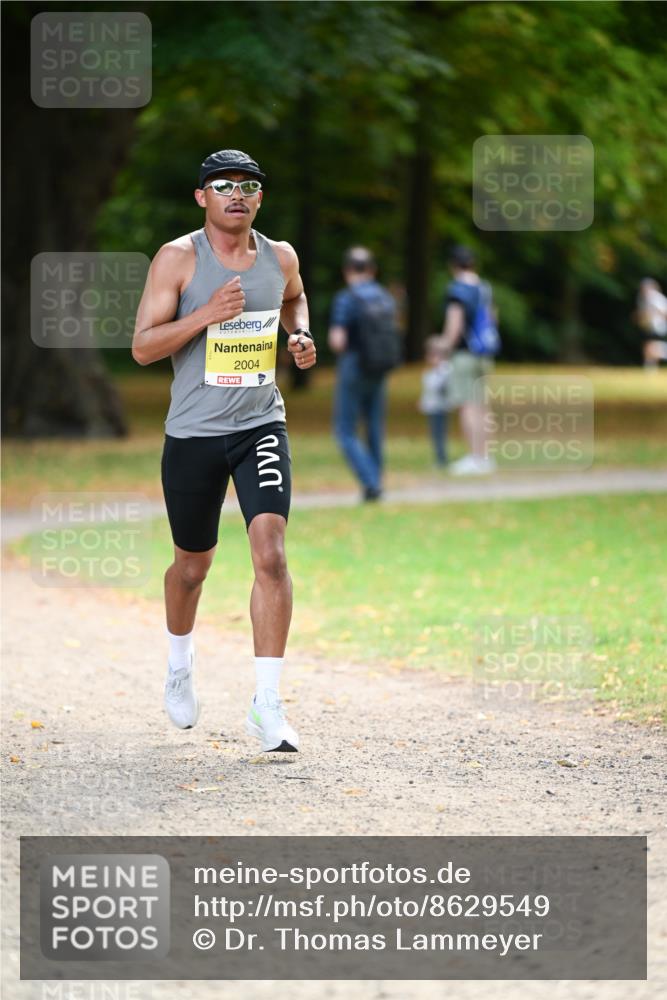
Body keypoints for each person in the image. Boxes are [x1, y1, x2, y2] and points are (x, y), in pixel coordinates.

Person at [132, 149, 316, 753]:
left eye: (248, 186)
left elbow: (293, 297)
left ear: (259, 198)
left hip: (261, 424)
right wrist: (205, 315)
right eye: (222, 185)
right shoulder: (179, 259)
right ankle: (179, 662)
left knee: (271, 551)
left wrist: (300, 333)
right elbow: (142, 348)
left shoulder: (279, 256)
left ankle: (267, 705)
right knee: (192, 566)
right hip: (193, 433)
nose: (236, 194)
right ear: (201, 196)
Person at [328, 247, 397, 501]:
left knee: (345, 429)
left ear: (347, 271)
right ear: (372, 270)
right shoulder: (385, 297)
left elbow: (337, 340)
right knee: (374, 427)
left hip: (353, 365)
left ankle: (370, 483)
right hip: (379, 367)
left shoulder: (347, 299)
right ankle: (377, 481)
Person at [439, 245, 497, 475]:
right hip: (485, 352)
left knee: (467, 406)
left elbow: (455, 325)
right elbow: (492, 318)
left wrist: (443, 346)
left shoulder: (457, 289)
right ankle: (486, 456)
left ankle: (474, 457)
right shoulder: (484, 287)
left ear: (453, 265)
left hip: (464, 354)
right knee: (483, 405)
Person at [418, 336, 451, 467]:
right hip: (432, 408)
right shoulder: (430, 373)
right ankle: (439, 457)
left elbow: (440, 388)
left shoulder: (445, 371)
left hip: (440, 408)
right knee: (435, 434)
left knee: (439, 434)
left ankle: (442, 459)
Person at [636, 278, 667, 369]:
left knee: (651, 347)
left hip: (658, 327)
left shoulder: (655, 298)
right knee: (648, 347)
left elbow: (664, 312)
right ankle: (650, 367)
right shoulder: (642, 298)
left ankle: (649, 367)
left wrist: (654, 315)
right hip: (648, 327)